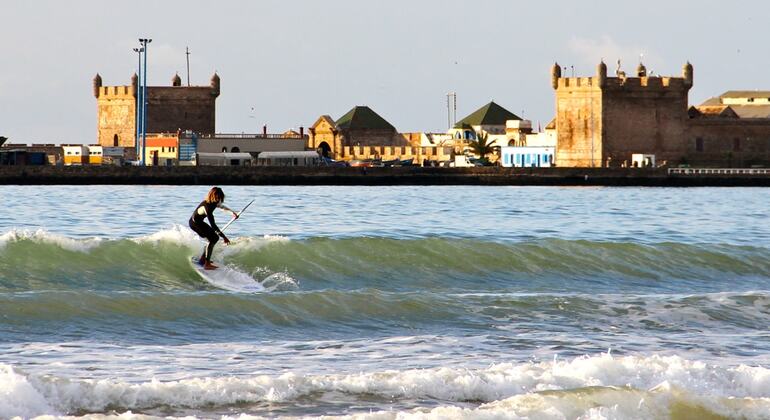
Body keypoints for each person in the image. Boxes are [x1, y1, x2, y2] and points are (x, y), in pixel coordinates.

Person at [189, 187, 239, 270]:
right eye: (218, 198)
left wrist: (232, 213)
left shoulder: (214, 202)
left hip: (199, 222)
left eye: (220, 198)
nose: (219, 200)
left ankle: (203, 259)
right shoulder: (207, 207)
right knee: (214, 238)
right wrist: (224, 237)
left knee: (212, 238)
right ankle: (207, 264)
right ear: (213, 196)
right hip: (195, 224)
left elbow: (222, 207)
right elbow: (213, 225)